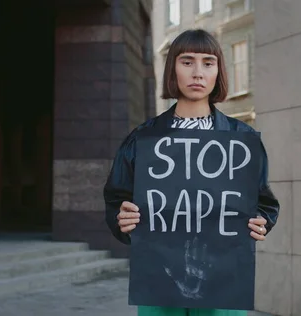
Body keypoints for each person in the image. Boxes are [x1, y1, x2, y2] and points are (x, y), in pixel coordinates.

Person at [103, 29, 280, 316]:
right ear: (172, 68)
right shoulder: (144, 139)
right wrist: (121, 218)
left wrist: (262, 222)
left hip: (223, 278)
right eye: (187, 62)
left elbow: (264, 202)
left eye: (208, 63)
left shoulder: (241, 140)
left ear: (218, 71)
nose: (198, 72)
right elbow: (117, 197)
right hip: (159, 275)